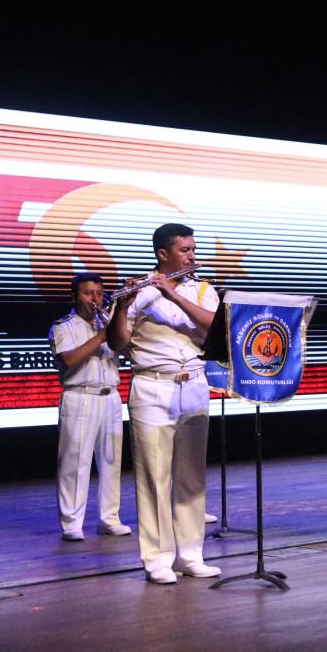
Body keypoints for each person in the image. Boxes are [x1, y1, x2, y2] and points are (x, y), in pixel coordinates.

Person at [107, 223, 221, 584]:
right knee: (154, 476)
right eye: (185, 250)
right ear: (163, 253)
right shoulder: (139, 290)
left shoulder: (203, 289)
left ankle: (190, 555)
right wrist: (122, 308)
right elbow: (116, 342)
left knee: (192, 476)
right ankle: (157, 559)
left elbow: (215, 327)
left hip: (194, 385)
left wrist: (173, 295)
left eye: (193, 249)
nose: (192, 256)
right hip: (152, 387)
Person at [50, 273, 129, 541]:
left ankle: (110, 518)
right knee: (75, 462)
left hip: (111, 396)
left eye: (98, 293)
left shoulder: (108, 323)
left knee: (111, 461)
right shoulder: (63, 326)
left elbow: (129, 351)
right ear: (74, 296)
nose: (95, 299)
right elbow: (69, 359)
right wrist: (102, 336)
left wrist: (115, 325)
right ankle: (71, 523)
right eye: (87, 293)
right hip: (79, 396)